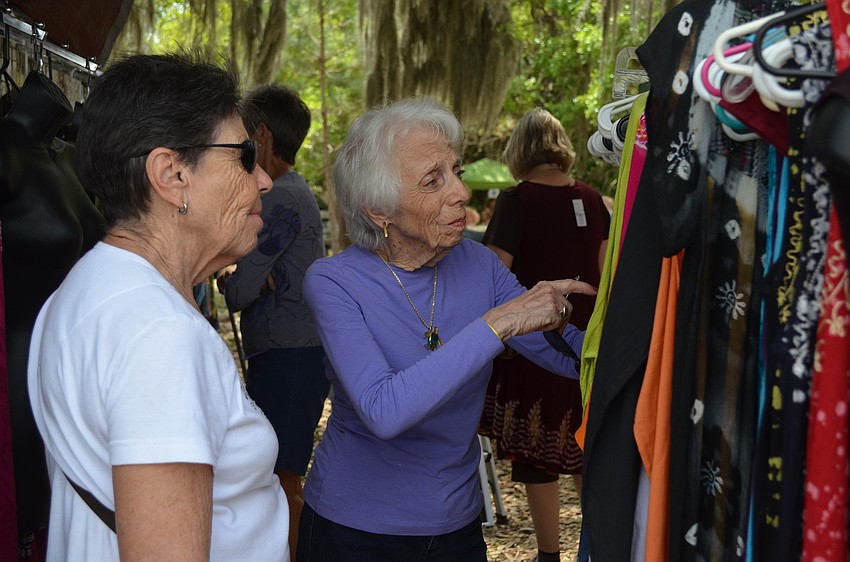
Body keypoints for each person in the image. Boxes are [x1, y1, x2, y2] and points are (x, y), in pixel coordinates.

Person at [295, 97, 596, 562]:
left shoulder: (477, 263)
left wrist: (612, 339)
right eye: (433, 181)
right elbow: (384, 409)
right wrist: (499, 322)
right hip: (354, 528)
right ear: (379, 209)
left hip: (457, 525)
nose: (460, 192)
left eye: (455, 171)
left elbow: (563, 353)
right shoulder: (334, 280)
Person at [27, 52, 289, 561]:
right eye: (244, 155)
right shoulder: (159, 333)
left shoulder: (86, 288)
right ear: (171, 175)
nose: (264, 181)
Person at [478, 107, 610, 562]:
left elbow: (493, 275)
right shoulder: (594, 198)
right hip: (588, 341)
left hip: (533, 342)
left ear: (520, 150)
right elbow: (606, 270)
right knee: (587, 442)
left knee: (538, 457)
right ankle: (597, 546)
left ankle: (550, 554)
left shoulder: (516, 202)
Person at [220, 84, 329, 558]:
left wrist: (231, 276)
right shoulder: (288, 191)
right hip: (286, 356)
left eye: (245, 133)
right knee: (278, 477)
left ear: (261, 135)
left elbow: (241, 289)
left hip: (293, 359)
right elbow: (249, 281)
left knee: (284, 482)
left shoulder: (282, 196)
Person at [0, 70, 106, 557]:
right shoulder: (7, 154)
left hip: (74, 360)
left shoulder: (65, 154)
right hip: (19, 364)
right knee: (32, 504)